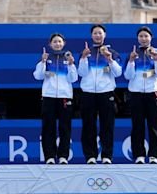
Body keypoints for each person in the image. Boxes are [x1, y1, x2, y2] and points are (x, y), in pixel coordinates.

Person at [78, 24, 122, 164]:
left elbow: (118, 73)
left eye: (100, 33)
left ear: (105, 35)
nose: (97, 35)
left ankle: (106, 156)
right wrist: (84, 58)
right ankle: (90, 156)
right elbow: (81, 73)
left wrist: (109, 59)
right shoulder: (86, 52)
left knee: (107, 126)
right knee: (88, 125)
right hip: (88, 93)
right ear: (91, 36)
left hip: (106, 92)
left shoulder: (112, 53)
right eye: (95, 33)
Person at [124, 26, 157, 164]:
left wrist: (156, 60)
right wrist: (131, 61)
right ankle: (139, 155)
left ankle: (154, 155)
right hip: (136, 94)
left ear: (151, 38)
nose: (143, 39)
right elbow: (127, 75)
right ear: (138, 39)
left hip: (153, 93)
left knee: (154, 125)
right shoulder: (133, 54)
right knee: (137, 126)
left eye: (146, 36)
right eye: (141, 36)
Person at [33, 33, 78, 164]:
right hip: (49, 97)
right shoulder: (46, 59)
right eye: (55, 42)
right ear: (50, 44)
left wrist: (71, 65)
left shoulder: (68, 58)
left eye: (59, 41)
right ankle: (50, 157)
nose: (57, 44)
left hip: (65, 97)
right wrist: (42, 62)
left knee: (65, 128)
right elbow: (38, 76)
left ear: (63, 43)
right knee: (48, 128)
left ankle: (63, 156)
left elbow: (73, 79)